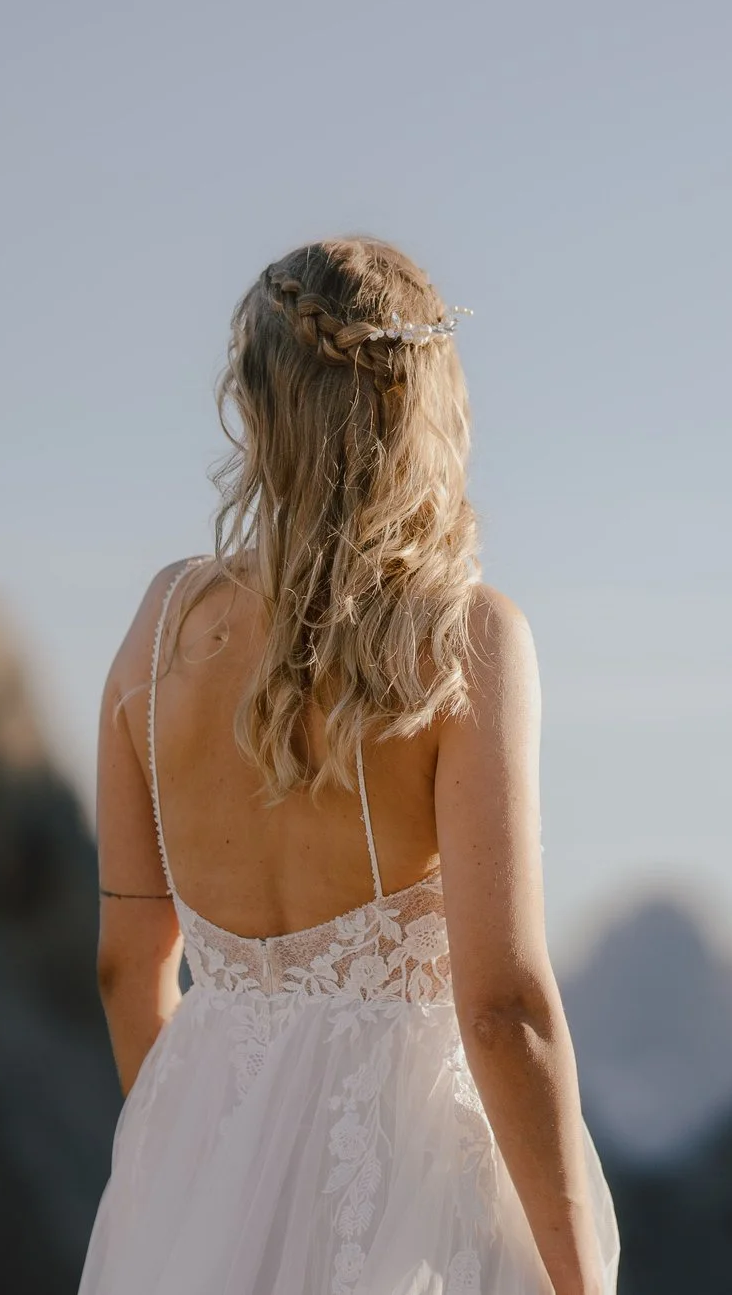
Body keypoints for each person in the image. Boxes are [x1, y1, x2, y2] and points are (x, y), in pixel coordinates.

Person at [81, 237, 618, 1295]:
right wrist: (579, 1280)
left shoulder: (158, 628)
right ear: (428, 404)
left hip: (193, 1187)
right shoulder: (462, 640)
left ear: (255, 405)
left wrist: (213, 1164)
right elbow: (501, 1005)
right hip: (406, 1199)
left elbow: (125, 962)